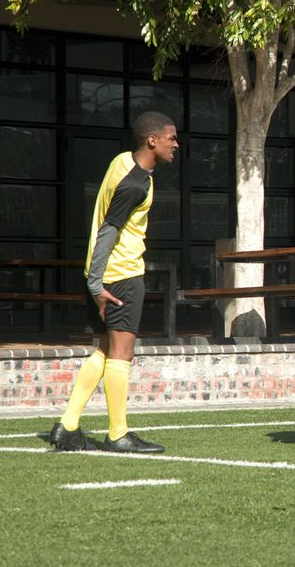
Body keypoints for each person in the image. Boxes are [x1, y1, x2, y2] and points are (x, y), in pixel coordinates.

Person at [48, 111, 178, 453]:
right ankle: (118, 434)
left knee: (104, 350)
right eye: (171, 138)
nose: (176, 144)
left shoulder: (121, 161)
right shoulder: (137, 183)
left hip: (104, 273)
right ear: (152, 140)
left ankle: (67, 426)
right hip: (121, 276)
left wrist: (93, 278)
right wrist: (96, 285)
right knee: (121, 354)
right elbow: (109, 231)